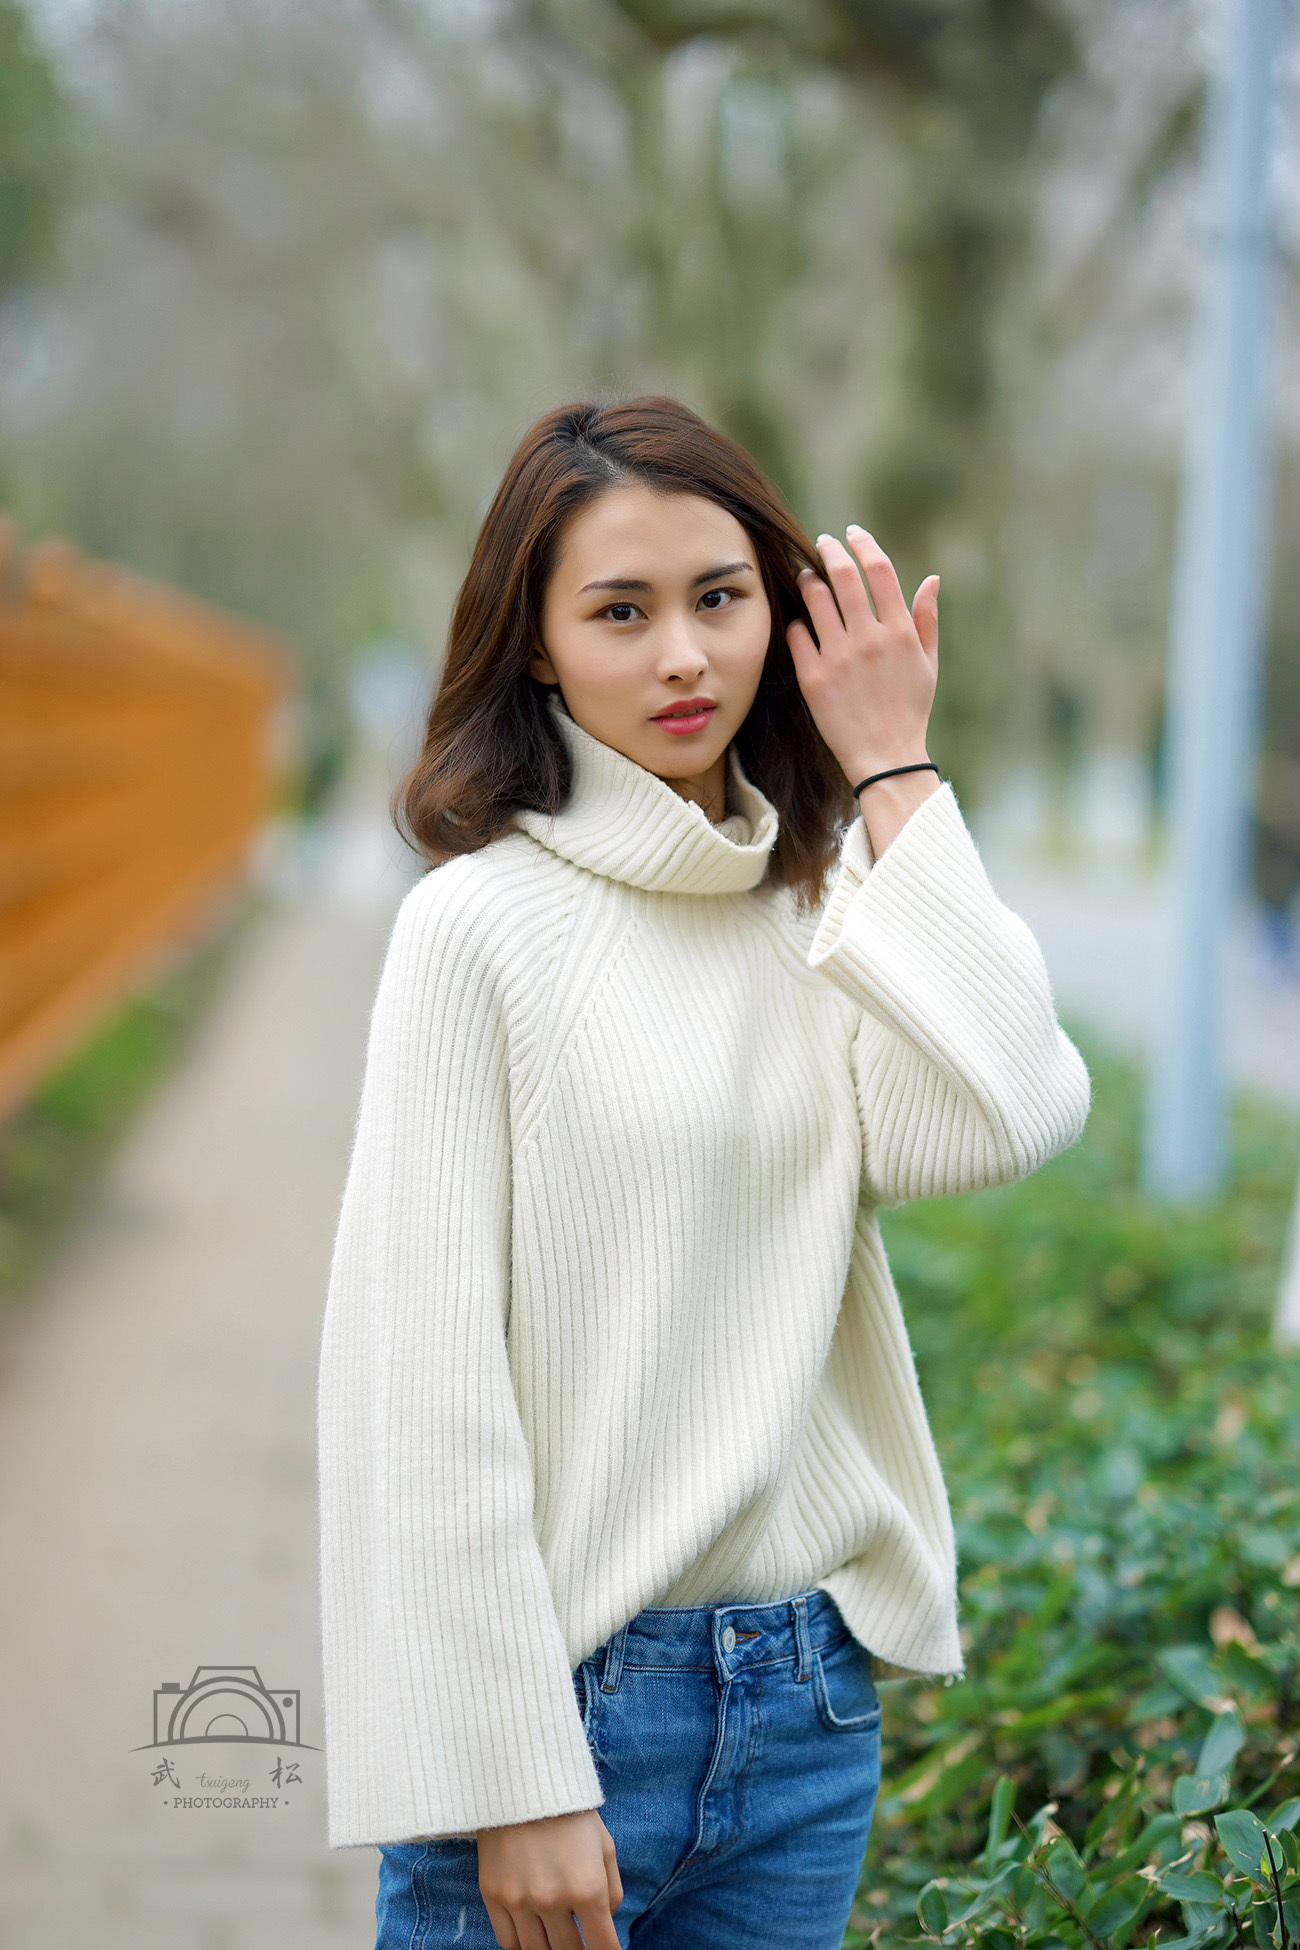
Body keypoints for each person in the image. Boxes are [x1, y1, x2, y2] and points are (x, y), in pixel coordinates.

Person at [316, 395, 1092, 1950]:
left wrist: (894, 775)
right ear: (534, 645)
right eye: (622, 611)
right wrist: (511, 1772)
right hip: (570, 1718)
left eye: (720, 598)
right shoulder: (476, 929)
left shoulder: (819, 909)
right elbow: (418, 1386)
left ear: (782, 614)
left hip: (804, 1715)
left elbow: (1010, 1110)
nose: (684, 654)